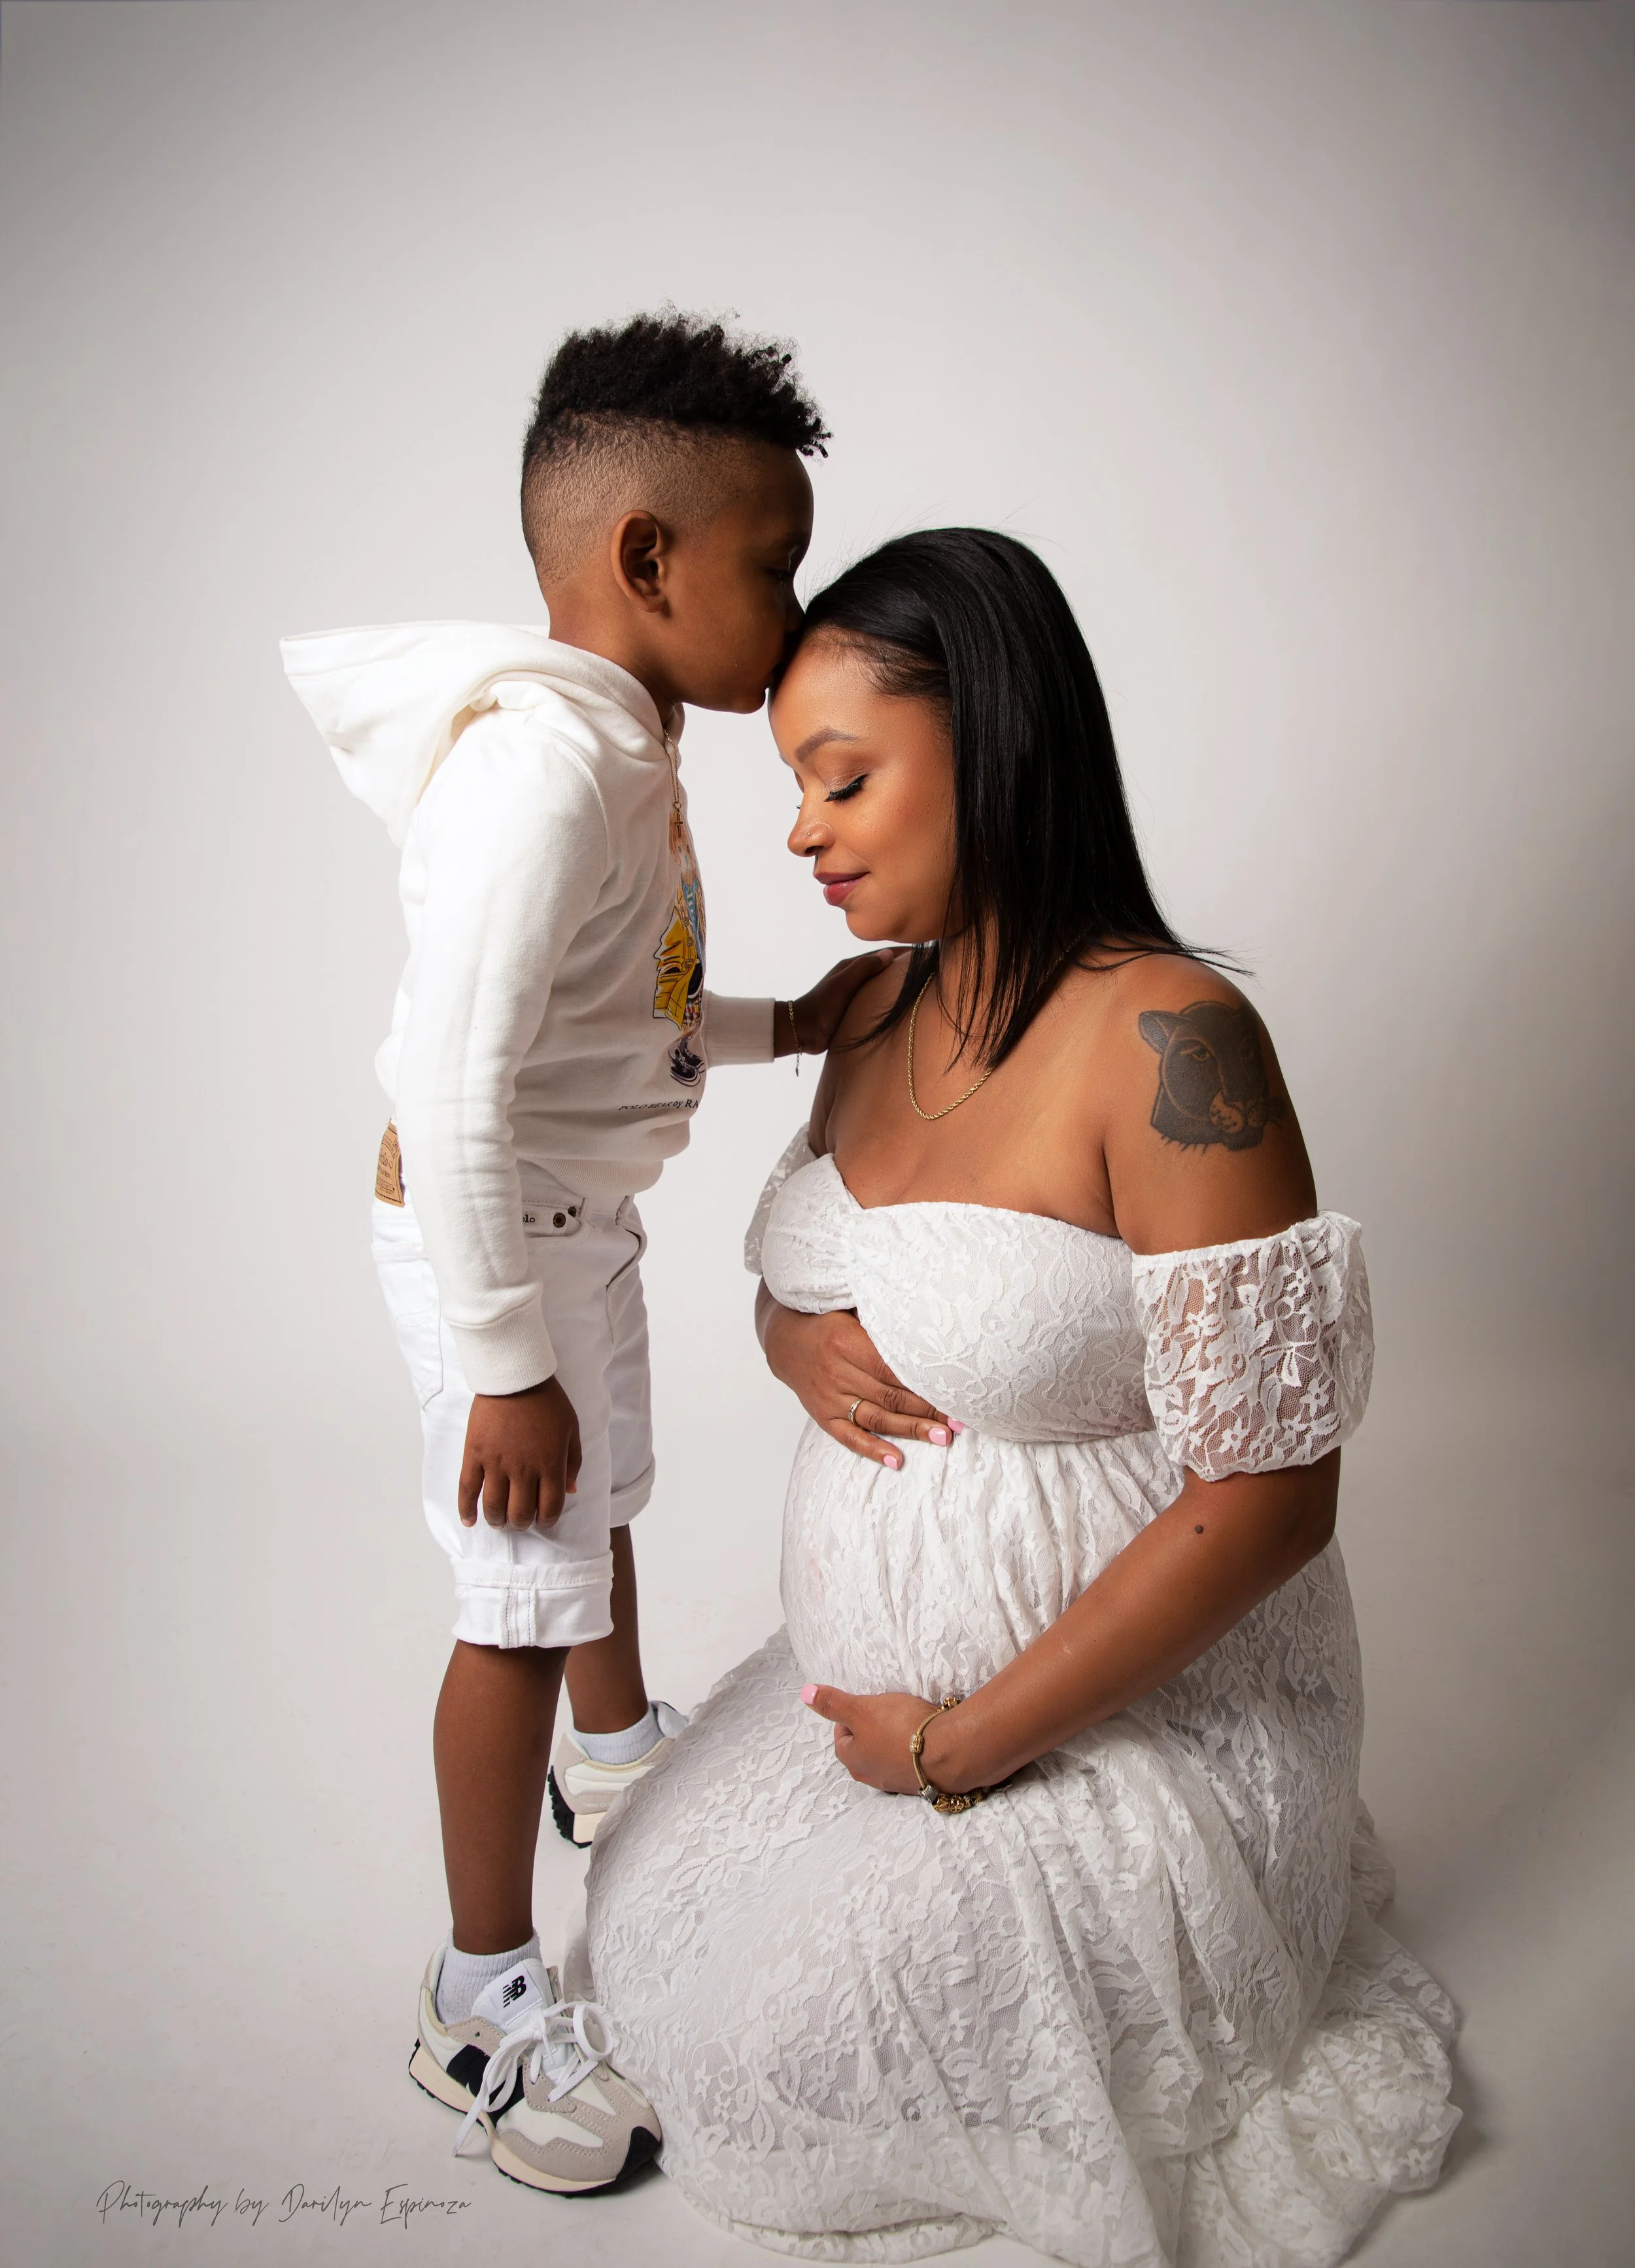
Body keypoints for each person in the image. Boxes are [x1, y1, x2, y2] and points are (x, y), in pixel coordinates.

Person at [581, 528, 1460, 2263]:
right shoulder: (881, 1001)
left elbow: (1275, 1492)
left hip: (1124, 1716)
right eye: (792, 783)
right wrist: (788, 1340)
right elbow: (813, 1266)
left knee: (786, 2043)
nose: (799, 830)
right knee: (643, 1920)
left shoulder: (1172, 1044)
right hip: (883, 1689)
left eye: (841, 777)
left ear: (989, 742)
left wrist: (965, 1741)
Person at [281, 312, 888, 2198]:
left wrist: (795, 1026)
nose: (791, 611)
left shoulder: (622, 748)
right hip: (486, 1240)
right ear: (644, 559)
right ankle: (475, 1983)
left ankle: (611, 1758)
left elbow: (626, 1017)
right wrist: (497, 1356)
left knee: (606, 1502)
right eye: (768, 565)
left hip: (566, 1219)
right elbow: (451, 1083)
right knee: (519, 1585)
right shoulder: (542, 774)